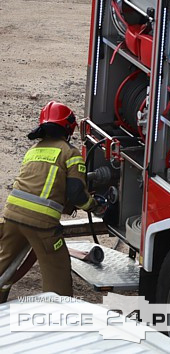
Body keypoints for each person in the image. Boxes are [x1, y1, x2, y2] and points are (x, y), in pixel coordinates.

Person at [0, 102, 107, 299]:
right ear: (69, 127)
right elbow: (76, 194)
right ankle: (57, 314)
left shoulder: (33, 150)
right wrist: (96, 207)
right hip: (42, 226)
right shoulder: (70, 153)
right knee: (56, 268)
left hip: (11, 217)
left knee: (4, 264)